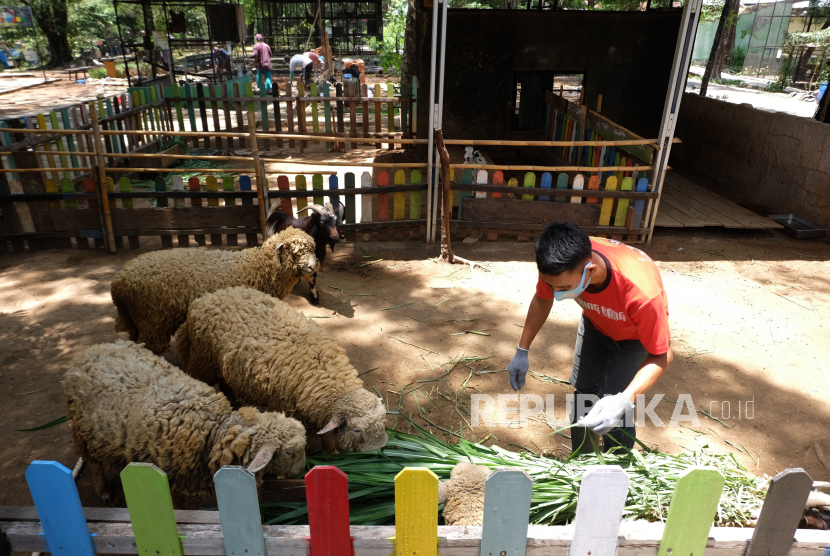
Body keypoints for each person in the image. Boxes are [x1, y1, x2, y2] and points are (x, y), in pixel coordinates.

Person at [508, 222, 672, 453]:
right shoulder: (557, 262)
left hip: (634, 338)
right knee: (584, 395)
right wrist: (522, 350)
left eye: (563, 287)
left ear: (590, 271)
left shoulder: (642, 295)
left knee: (614, 405)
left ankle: (618, 464)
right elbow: (543, 297)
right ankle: (582, 461)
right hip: (596, 323)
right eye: (552, 285)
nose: (557, 293)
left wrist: (625, 399)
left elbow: (662, 355)